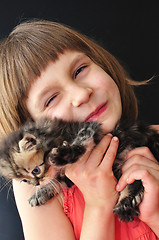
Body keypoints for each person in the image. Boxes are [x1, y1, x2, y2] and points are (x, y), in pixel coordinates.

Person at [0, 19, 159, 240]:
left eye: (80, 69)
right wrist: (98, 205)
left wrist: (156, 215)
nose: (81, 94)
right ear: (30, 135)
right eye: (51, 99)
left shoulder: (155, 143)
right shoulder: (42, 191)